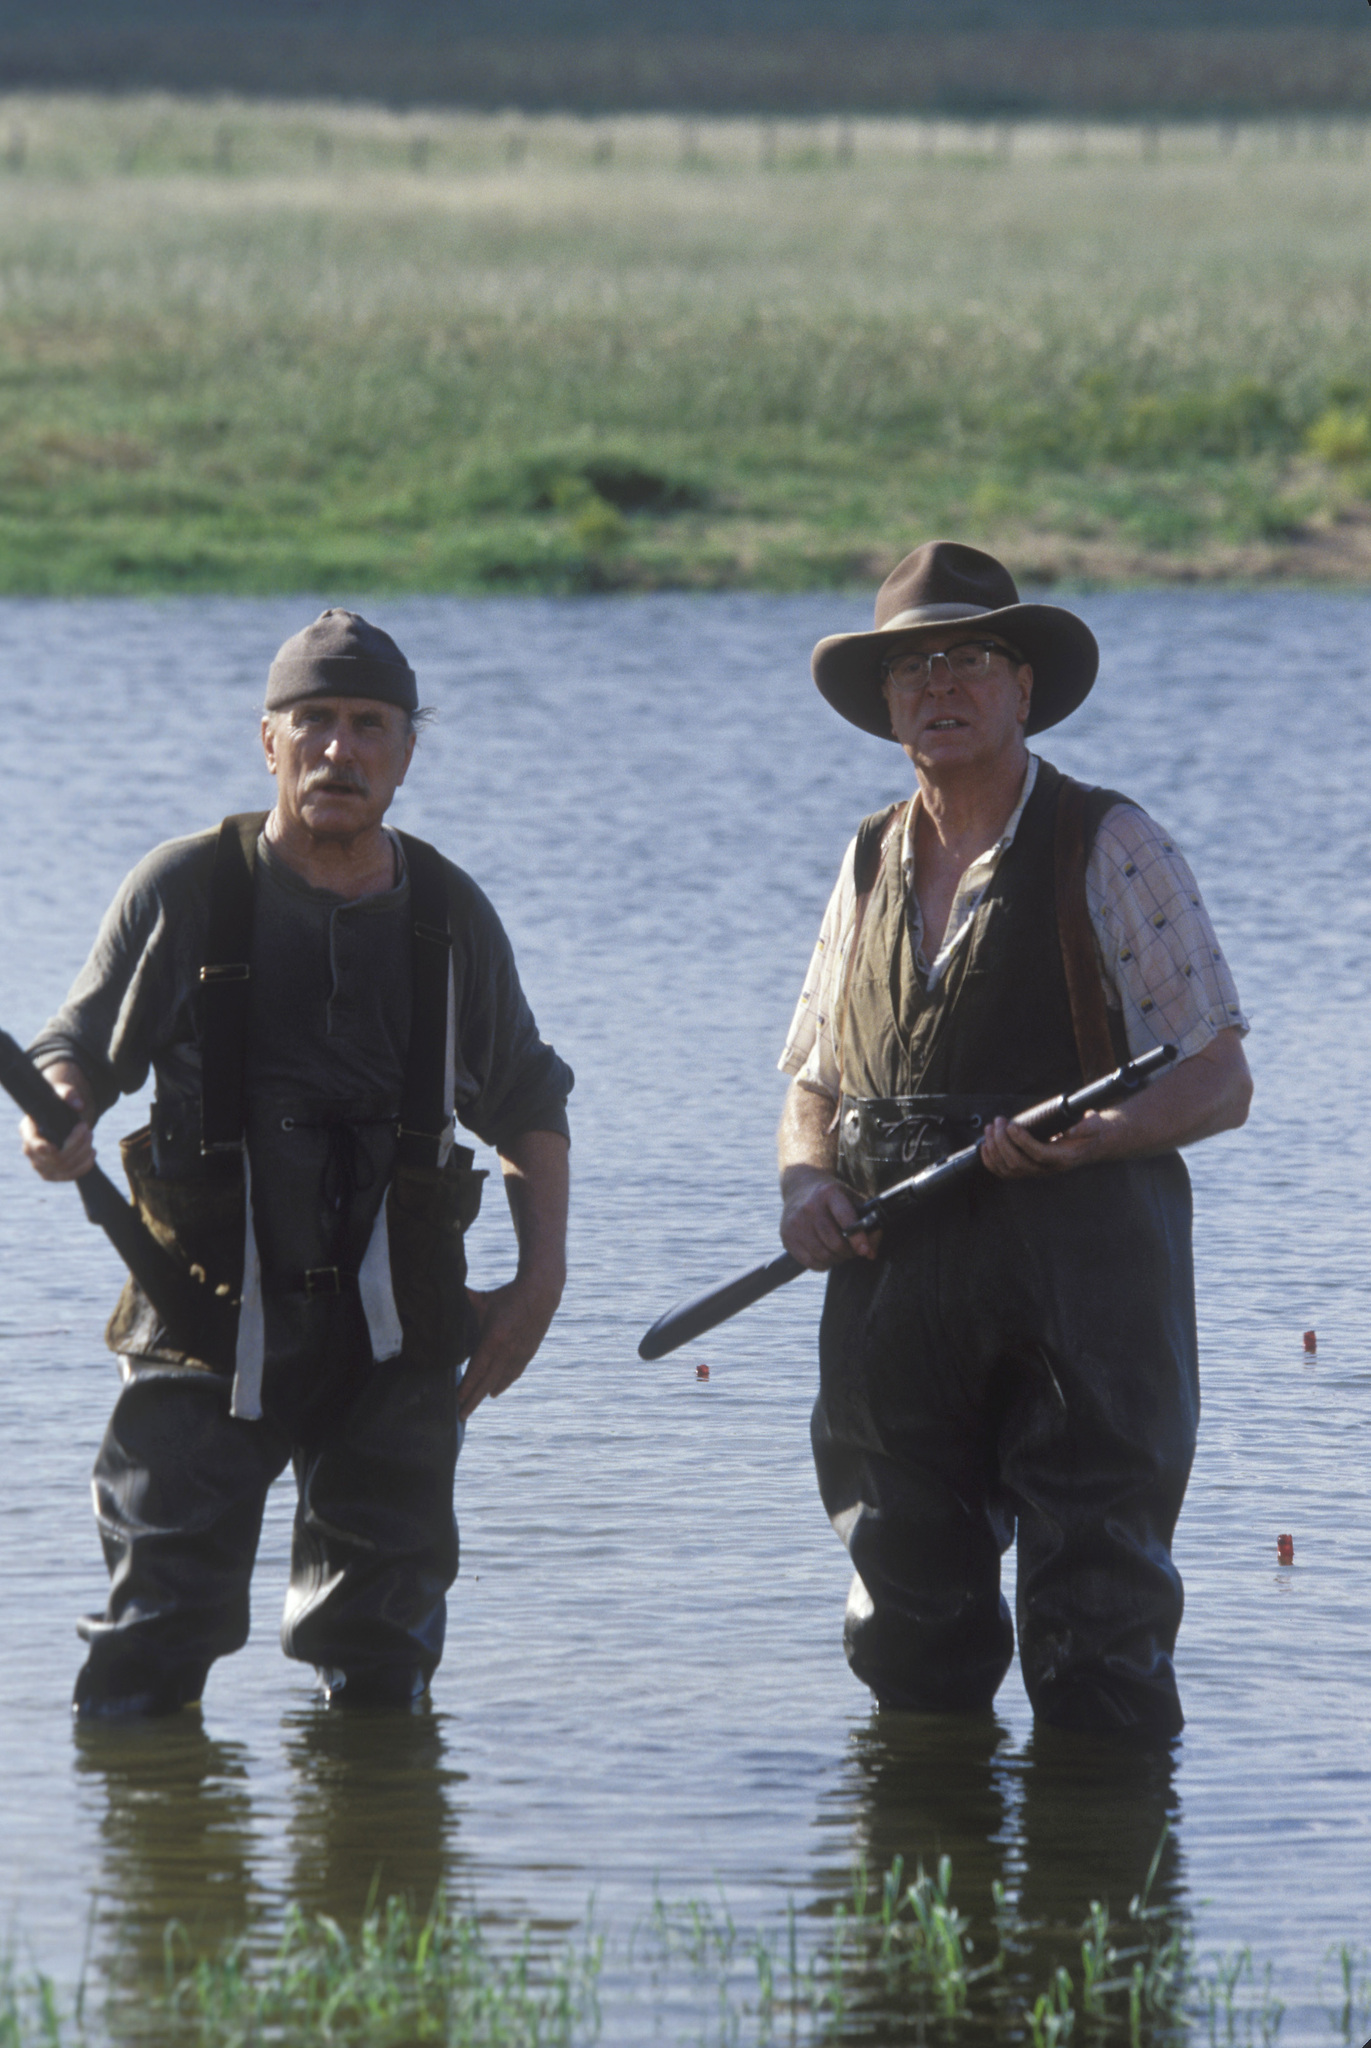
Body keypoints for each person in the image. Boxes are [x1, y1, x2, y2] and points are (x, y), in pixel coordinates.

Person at [20, 609, 573, 1718]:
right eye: (312, 721)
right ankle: (159, 1871)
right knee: (152, 1642)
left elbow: (526, 1102)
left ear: (407, 751)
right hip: (201, 1319)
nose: (339, 749)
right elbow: (73, 1050)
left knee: (383, 1665)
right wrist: (58, 1116)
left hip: (399, 1335)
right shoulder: (183, 889)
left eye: (369, 724)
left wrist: (537, 1284)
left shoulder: (452, 914)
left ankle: (375, 1869)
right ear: (265, 741)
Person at [777, 541, 1251, 1740]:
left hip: (1083, 1295)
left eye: (970, 658)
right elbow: (813, 1082)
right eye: (913, 666)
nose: (941, 685)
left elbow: (1220, 1073)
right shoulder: (867, 860)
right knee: (907, 1632)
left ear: (1022, 687)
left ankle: (1099, 1901)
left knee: (1100, 1632)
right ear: (887, 703)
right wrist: (805, 1185)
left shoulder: (1112, 842)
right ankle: (925, 1889)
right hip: (892, 1303)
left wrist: (1101, 1137)